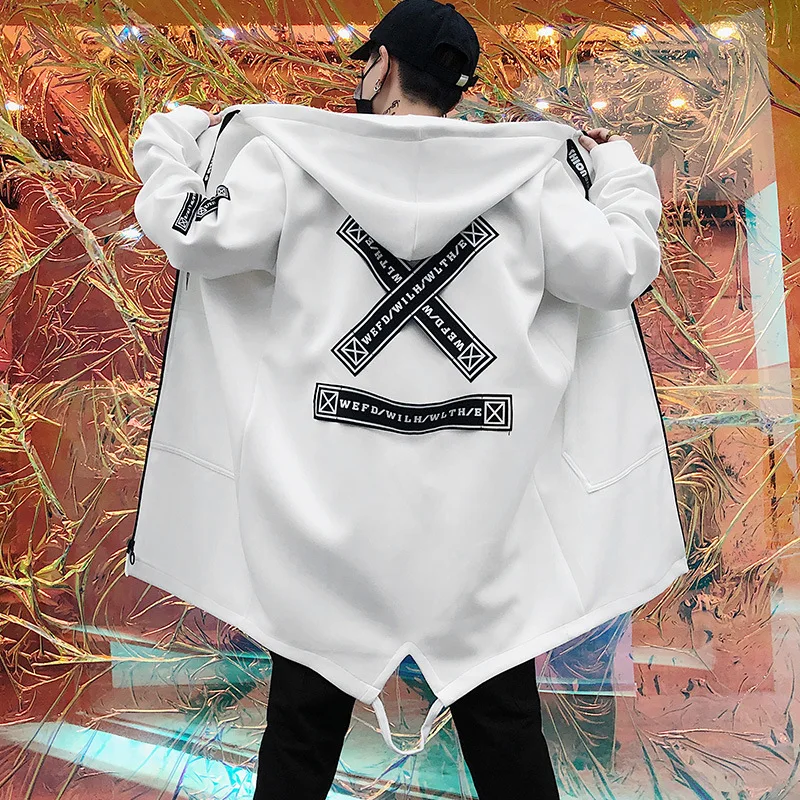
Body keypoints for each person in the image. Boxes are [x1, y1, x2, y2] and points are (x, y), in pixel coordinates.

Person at [128, 0, 686, 797]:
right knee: (507, 737)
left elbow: (193, 232)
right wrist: (620, 169)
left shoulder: (291, 162)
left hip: (325, 523)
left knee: (298, 740)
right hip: (479, 526)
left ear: (383, 65)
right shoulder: (531, 177)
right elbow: (618, 267)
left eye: (368, 61)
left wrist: (175, 136)